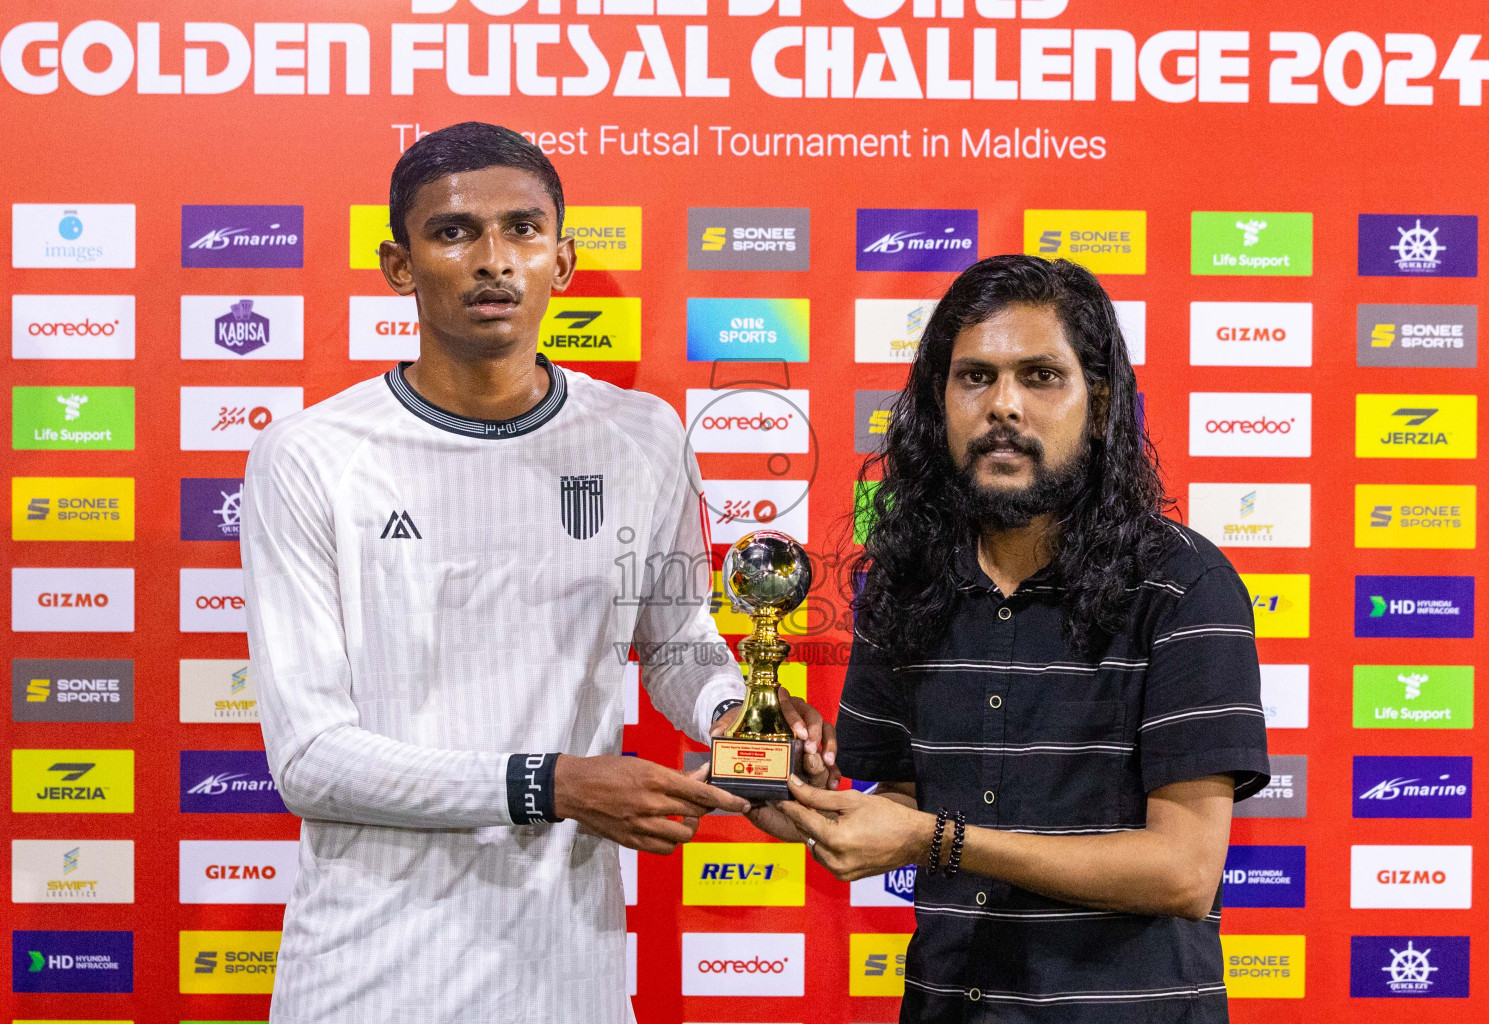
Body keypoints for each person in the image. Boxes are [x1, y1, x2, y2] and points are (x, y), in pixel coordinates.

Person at [239, 121, 836, 1024]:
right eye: (453, 233)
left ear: (561, 260)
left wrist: (738, 717)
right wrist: (551, 783)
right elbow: (313, 761)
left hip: (568, 975)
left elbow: (678, 644)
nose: (493, 260)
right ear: (398, 266)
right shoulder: (310, 455)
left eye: (522, 230)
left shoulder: (642, 435)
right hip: (368, 975)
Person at [772, 255, 1271, 1022]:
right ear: (938, 403)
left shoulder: (1182, 583)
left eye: (1041, 376)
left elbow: (1183, 871)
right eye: (975, 377)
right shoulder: (904, 583)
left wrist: (936, 841)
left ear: (1098, 404)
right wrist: (784, 790)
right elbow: (897, 810)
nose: (1004, 406)